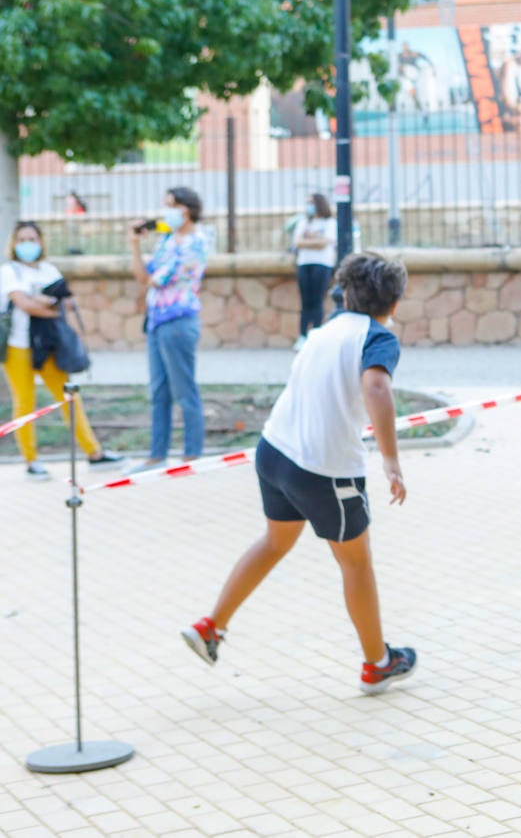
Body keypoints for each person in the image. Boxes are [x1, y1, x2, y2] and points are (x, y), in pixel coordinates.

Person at [182, 252, 416, 695]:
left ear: (345, 292)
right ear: (394, 304)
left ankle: (211, 627)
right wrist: (390, 459)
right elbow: (376, 386)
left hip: (274, 453)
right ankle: (377, 663)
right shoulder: (377, 336)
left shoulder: (322, 332)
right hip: (325, 470)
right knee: (356, 563)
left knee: (275, 541)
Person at [2, 222, 124, 480]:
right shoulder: (9, 271)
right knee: (25, 403)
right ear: (14, 243)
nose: (28, 243)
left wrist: (42, 303)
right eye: (22, 239)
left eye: (32, 238)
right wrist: (45, 303)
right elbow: (24, 304)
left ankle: (94, 453)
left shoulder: (49, 269)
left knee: (69, 397)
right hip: (17, 347)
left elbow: (64, 302)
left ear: (41, 242)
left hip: (48, 346)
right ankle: (31, 461)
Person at [127, 187, 209, 473]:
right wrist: (135, 244)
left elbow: (153, 280)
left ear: (186, 209)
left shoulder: (194, 244)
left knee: (185, 390)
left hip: (178, 321)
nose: (166, 212)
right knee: (159, 391)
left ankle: (192, 456)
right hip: (157, 321)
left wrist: (145, 267)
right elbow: (142, 275)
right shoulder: (167, 240)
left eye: (170, 206)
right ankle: (156, 455)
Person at [292, 193, 339, 352]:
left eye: (311, 203)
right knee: (306, 301)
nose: (308, 206)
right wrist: (316, 241)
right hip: (304, 263)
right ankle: (303, 335)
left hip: (323, 264)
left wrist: (308, 242)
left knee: (318, 300)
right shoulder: (303, 223)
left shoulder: (330, 223)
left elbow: (325, 243)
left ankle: (316, 335)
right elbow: (297, 242)